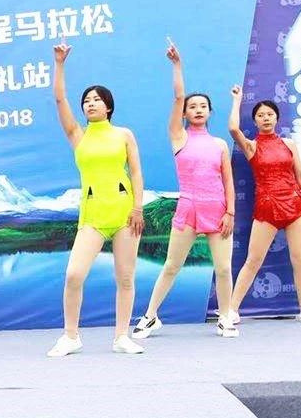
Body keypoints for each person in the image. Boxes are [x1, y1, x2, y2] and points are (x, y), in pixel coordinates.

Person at [46, 40, 146, 357]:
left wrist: (138, 208)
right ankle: (71, 336)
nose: (90, 104)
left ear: (108, 107)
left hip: (124, 212)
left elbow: (136, 172)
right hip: (93, 214)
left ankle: (122, 336)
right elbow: (59, 98)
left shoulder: (123, 134)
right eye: (86, 101)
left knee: (125, 277)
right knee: (74, 274)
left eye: (96, 100)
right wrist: (59, 63)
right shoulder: (78, 135)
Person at [133, 43, 238, 339]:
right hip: (188, 208)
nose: (197, 109)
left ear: (210, 111)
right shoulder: (178, 137)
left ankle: (225, 317)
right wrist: (177, 64)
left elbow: (228, 182)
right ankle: (150, 316)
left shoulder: (219, 144)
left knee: (223, 268)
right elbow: (179, 95)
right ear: (184, 113)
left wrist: (230, 212)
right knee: (171, 266)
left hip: (218, 210)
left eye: (203, 106)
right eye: (192, 107)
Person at [226, 86, 301, 325]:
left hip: (295, 205)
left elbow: (300, 175)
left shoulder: (289, 144)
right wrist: (237, 100)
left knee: (300, 258)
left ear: (277, 118)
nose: (266, 118)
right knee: (253, 260)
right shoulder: (251, 146)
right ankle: (231, 310)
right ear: (255, 121)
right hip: (267, 207)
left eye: (270, 114)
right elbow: (232, 129)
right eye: (261, 115)